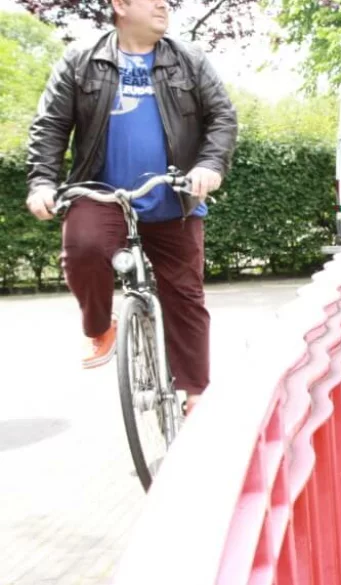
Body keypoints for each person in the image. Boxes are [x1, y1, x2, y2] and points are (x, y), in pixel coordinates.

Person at [24, 0, 238, 414]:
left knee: (185, 294)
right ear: (120, 5)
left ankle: (196, 393)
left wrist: (209, 165)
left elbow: (222, 118)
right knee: (83, 248)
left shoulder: (189, 60)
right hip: (101, 192)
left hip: (174, 194)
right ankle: (100, 327)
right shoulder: (80, 61)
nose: (163, 4)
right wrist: (42, 182)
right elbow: (50, 126)